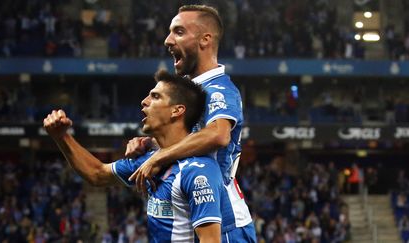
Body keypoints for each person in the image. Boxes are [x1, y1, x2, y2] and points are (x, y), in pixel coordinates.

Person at [44, 70, 226, 242]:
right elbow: (97, 174)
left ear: (177, 110)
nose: (144, 102)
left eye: (155, 96)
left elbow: (210, 240)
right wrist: (61, 137)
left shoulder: (198, 171)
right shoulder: (149, 161)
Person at [126, 4, 256, 242]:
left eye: (178, 32)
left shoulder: (219, 89)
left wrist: (160, 156)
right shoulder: (189, 90)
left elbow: (218, 135)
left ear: (205, 40)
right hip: (195, 212)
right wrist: (150, 144)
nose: (167, 40)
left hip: (225, 221)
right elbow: (188, 139)